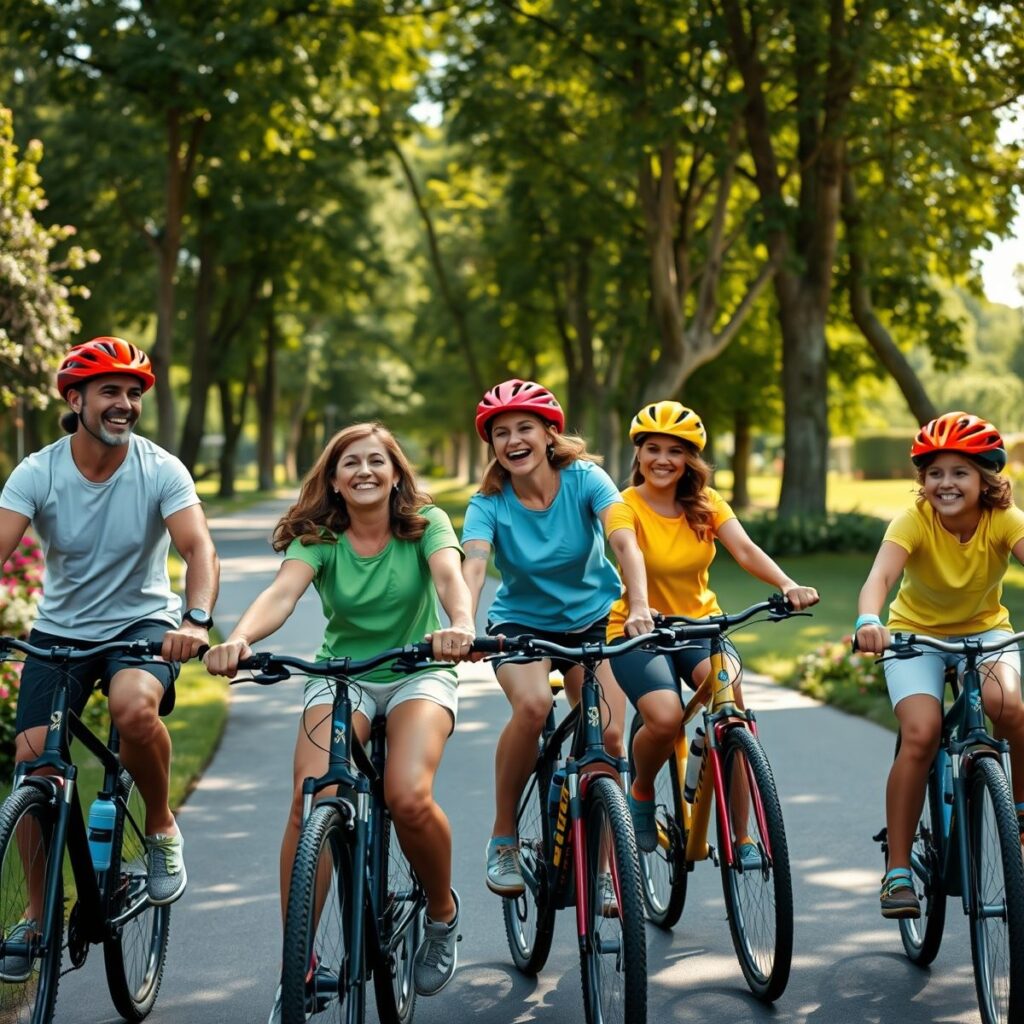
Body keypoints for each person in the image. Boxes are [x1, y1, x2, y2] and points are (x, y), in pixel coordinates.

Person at [202, 422, 475, 1020]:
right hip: (340, 672)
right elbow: (282, 594)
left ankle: (441, 913)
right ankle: (295, 965)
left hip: (418, 668)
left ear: (396, 471)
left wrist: (459, 624)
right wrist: (241, 637)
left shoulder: (426, 523)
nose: (364, 472)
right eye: (349, 463)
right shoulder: (321, 536)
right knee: (312, 798)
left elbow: (452, 579)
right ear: (333, 479)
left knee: (407, 796)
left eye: (376, 461)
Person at [0, 337, 218, 977]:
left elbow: (199, 552)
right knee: (34, 761)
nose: (125, 404)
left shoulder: (161, 468)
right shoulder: (37, 472)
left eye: (133, 393)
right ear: (75, 399)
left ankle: (158, 827)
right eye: (110, 392)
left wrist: (196, 619)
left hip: (143, 624)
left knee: (132, 709)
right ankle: (37, 916)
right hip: (60, 631)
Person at [461, 378, 654, 898]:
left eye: (524, 427)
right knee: (530, 707)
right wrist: (462, 623)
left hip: (594, 617)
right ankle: (503, 836)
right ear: (493, 446)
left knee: (610, 738)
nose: (512, 440)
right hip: (521, 623)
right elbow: (474, 565)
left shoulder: (587, 479)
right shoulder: (489, 503)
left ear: (550, 435)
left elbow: (623, 541)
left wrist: (638, 605)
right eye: (500, 433)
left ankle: (609, 871)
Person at [606, 401, 818, 855]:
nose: (663, 460)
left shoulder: (706, 504)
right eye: (653, 448)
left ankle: (740, 836)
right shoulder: (623, 506)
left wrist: (787, 583)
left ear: (690, 460)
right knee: (663, 718)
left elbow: (744, 549)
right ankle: (642, 791)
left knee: (733, 710)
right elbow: (630, 554)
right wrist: (640, 605)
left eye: (675, 451)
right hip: (639, 630)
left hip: (699, 627)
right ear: (638, 455)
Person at [855, 410, 1024, 919]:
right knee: (923, 733)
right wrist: (869, 618)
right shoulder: (912, 521)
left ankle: (1018, 816)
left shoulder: (1005, 519)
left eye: (960, 472)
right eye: (935, 473)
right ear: (922, 480)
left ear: (985, 479)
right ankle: (899, 871)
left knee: (1010, 707)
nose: (945, 483)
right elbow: (880, 578)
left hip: (986, 631)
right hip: (915, 636)